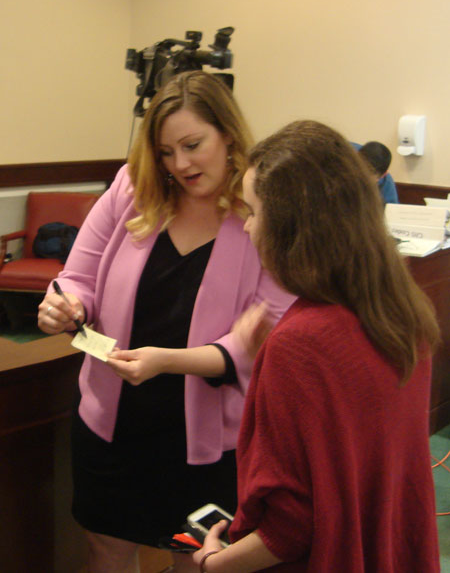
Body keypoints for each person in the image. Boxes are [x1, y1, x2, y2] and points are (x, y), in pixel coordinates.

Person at [37, 71, 294, 573]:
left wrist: (168, 362)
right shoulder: (134, 186)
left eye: (193, 145)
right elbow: (79, 275)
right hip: (113, 417)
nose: (179, 164)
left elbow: (268, 329)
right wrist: (64, 304)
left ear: (228, 134)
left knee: (195, 556)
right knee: (105, 547)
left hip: (207, 430)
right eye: (165, 151)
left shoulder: (262, 205)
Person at [193, 120, 441, 572]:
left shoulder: (301, 343)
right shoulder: (403, 312)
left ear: (294, 228)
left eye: (253, 211)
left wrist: (214, 562)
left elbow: (289, 530)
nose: (247, 228)